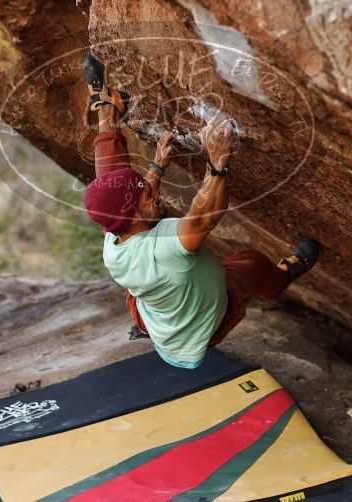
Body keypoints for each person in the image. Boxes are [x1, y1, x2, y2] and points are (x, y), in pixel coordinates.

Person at [82, 54, 320, 368]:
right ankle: (279, 282)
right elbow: (205, 215)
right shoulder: (165, 248)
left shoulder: (115, 233)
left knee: (115, 191)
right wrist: (217, 162)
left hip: (151, 313)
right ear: (135, 216)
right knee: (251, 264)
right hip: (198, 333)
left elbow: (108, 177)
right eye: (148, 194)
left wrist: (154, 164)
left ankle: (107, 105)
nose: (154, 191)